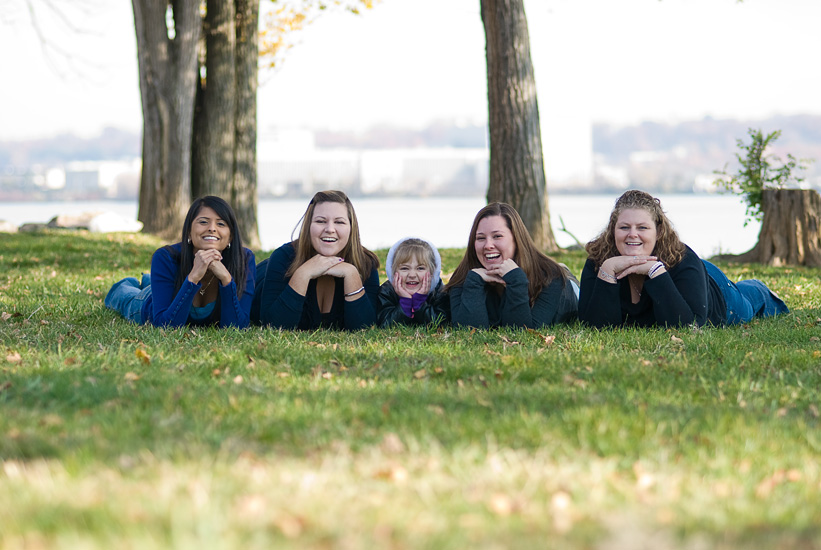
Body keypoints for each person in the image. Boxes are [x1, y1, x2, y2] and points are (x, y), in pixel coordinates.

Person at [579, 189, 789, 328]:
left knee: (749, 303)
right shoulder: (599, 261)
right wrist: (608, 271)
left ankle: (759, 289)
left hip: (716, 290)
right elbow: (595, 326)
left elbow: (688, 326)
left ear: (659, 232)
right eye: (624, 227)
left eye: (642, 227)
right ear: (613, 230)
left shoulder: (682, 258)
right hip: (687, 276)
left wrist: (655, 272)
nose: (632, 234)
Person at [105, 196, 255, 328]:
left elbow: (237, 327)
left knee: (154, 283)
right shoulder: (166, 257)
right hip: (146, 303)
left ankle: (148, 280)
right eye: (203, 222)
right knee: (122, 294)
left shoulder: (244, 259)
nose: (212, 229)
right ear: (189, 231)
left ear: (231, 236)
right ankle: (130, 283)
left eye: (221, 224)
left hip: (169, 288)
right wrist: (193, 277)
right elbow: (166, 326)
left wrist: (226, 280)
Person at [251, 190, 380, 330]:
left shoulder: (366, 262)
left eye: (339, 222)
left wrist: (351, 273)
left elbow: (364, 328)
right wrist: (303, 273)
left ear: (351, 228)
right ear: (308, 226)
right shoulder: (282, 258)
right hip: (260, 276)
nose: (330, 229)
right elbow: (274, 326)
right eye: (320, 221)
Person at [446, 202, 578, 328]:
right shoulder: (466, 276)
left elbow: (523, 332)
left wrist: (516, 281)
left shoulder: (550, 276)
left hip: (569, 290)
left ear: (516, 239)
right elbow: (470, 331)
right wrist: (474, 283)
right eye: (481, 238)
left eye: (497, 236)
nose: (488, 245)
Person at [377, 237, 450, 327]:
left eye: (420, 268)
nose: (412, 275)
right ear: (393, 271)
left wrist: (419, 301)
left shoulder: (440, 291)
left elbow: (441, 323)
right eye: (404, 268)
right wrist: (405, 301)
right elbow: (385, 324)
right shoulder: (386, 291)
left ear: (432, 272)